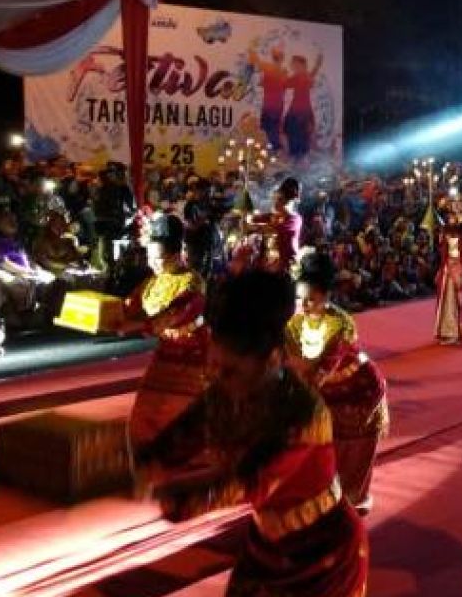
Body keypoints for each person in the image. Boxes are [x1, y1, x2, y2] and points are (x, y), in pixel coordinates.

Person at [133, 270, 368, 597]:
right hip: (267, 548)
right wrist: (134, 463)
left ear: (272, 360)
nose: (217, 378)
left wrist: (176, 498)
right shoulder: (225, 392)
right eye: (212, 366)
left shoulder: (302, 414)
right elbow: (176, 441)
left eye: (229, 370)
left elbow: (245, 481)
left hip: (324, 556)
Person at [286, 252, 389, 514]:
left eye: (311, 299)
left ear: (327, 296)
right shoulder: (293, 323)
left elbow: (320, 373)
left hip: (358, 392)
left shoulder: (340, 326)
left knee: (347, 452)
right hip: (323, 391)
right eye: (299, 298)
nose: (304, 305)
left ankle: (347, 502)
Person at [125, 213, 209, 449]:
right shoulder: (153, 281)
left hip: (193, 355)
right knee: (145, 415)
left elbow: (176, 313)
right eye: (149, 257)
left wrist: (141, 325)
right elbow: (130, 305)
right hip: (166, 352)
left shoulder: (192, 281)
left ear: (175, 255)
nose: (152, 263)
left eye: (158, 258)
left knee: (184, 418)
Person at [434, 184, 462, 345]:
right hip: (449, 263)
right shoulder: (450, 220)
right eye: (455, 200)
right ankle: (450, 332)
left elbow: (460, 232)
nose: (457, 204)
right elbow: (445, 242)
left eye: (461, 200)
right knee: (449, 299)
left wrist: (444, 225)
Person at [247, 177, 304, 277]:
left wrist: (254, 227)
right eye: (276, 199)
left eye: (281, 199)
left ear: (290, 201)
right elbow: (252, 219)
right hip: (268, 265)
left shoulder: (295, 219)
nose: (276, 202)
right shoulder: (273, 216)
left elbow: (275, 229)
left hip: (286, 266)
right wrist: (246, 216)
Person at [283, 53, 324, 159]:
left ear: (299, 65)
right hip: (300, 111)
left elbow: (285, 83)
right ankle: (299, 157)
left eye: (293, 64)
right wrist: (317, 65)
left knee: (298, 135)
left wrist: (317, 65)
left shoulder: (301, 76)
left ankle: (299, 157)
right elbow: (285, 83)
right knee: (298, 135)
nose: (292, 66)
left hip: (300, 112)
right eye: (292, 64)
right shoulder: (302, 76)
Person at [249, 43, 288, 152]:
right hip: (277, 105)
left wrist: (251, 48)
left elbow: (254, 59)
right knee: (272, 129)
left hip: (271, 105)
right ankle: (274, 150)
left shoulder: (269, 67)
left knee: (269, 130)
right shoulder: (283, 72)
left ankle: (274, 150)